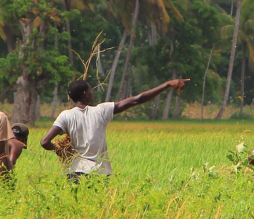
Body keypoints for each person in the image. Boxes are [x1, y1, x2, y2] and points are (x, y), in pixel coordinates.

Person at [40, 78, 188, 183]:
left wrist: (62, 151)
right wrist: (167, 84)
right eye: (90, 90)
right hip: (99, 173)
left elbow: (45, 142)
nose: (92, 93)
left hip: (74, 173)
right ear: (85, 94)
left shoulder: (65, 115)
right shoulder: (101, 111)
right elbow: (137, 99)